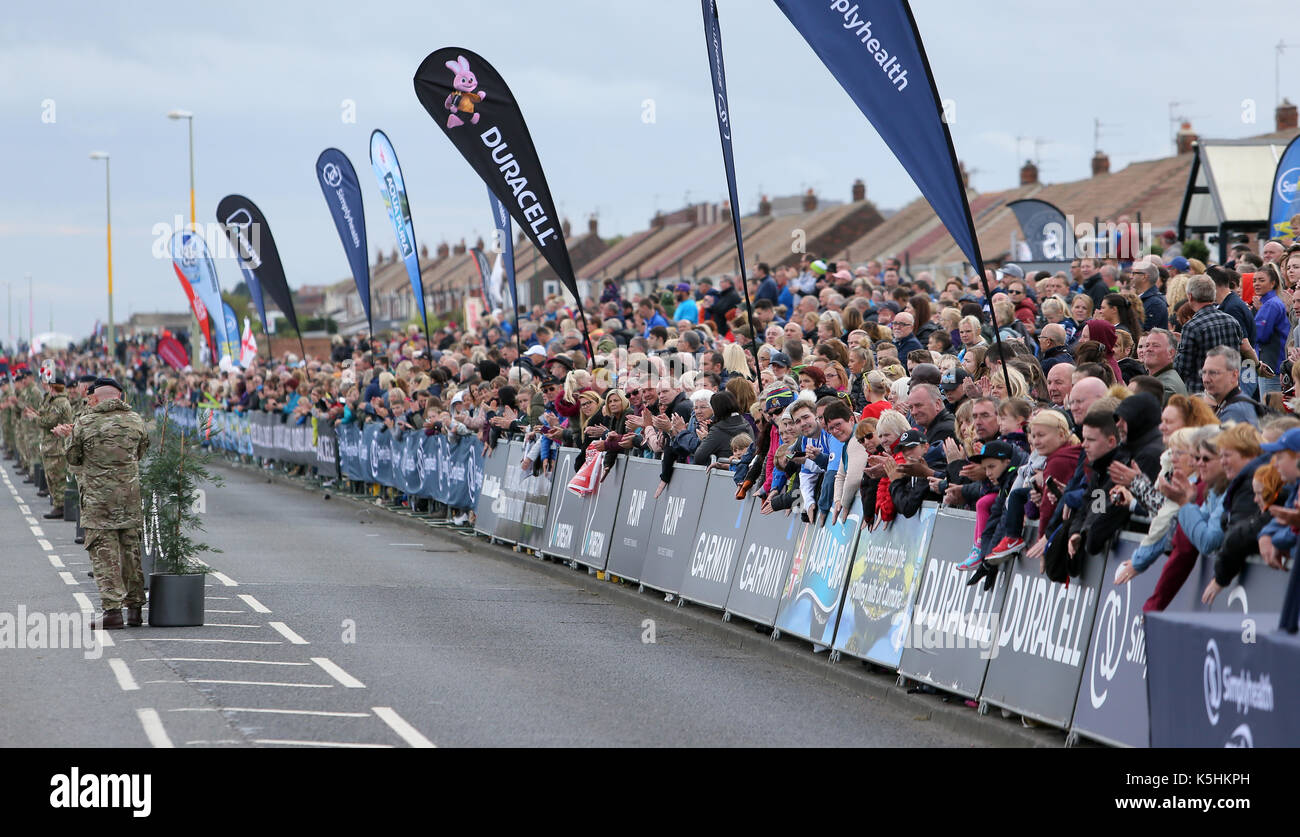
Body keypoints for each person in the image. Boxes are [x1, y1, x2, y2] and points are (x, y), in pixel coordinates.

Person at [58, 378, 150, 630]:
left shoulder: (85, 423)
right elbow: (141, 452)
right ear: (120, 398)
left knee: (104, 553)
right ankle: (135, 610)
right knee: (130, 552)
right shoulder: (136, 421)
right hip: (129, 499)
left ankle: (112, 611)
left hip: (99, 502)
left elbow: (74, 457)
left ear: (95, 398)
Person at [1174, 276, 1245, 394]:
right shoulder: (1232, 321)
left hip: (1202, 393)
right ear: (1213, 294)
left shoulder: (1192, 326)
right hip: (1229, 390)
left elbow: (1182, 368)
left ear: (1190, 296)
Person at [36, 372, 74, 518]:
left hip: (57, 446)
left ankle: (60, 506)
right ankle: (58, 505)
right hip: (52, 445)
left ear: (53, 388)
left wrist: (37, 419)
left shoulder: (59, 402)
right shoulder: (55, 401)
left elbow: (48, 421)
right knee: (51, 477)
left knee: (57, 477)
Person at [1201, 346, 1264, 428]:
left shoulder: (1235, 413)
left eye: (1213, 373)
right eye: (1204, 372)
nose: (1206, 379)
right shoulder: (1231, 405)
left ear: (1234, 375)